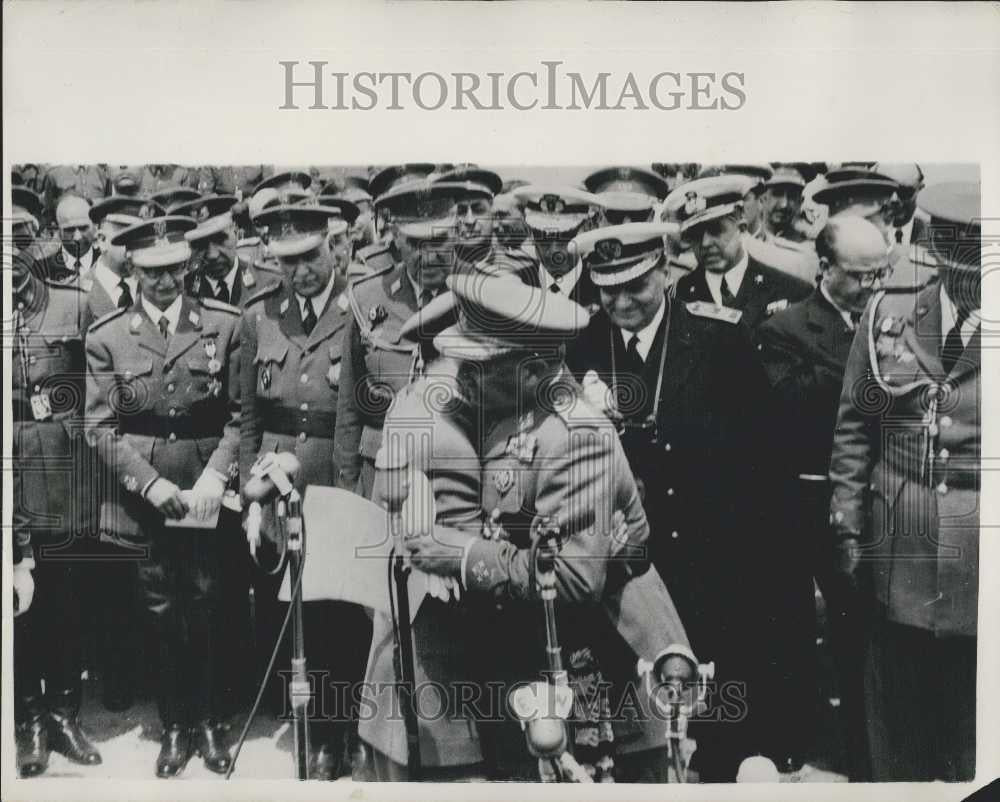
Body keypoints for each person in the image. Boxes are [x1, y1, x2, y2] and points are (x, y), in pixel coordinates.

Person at [361, 268, 693, 781]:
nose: (462, 380)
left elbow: (576, 579)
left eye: (478, 369)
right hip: (531, 646)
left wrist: (462, 555)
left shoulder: (574, 437)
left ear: (534, 369)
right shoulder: (507, 410)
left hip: (600, 662)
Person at [565, 222, 776, 780]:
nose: (621, 302)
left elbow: (763, 461)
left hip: (711, 564)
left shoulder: (719, 339)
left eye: (635, 285)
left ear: (664, 269)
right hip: (627, 573)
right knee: (640, 729)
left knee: (715, 722)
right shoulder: (582, 346)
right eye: (607, 289)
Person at [829, 181, 980, 781]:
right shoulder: (891, 308)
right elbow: (855, 423)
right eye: (958, 268)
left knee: (971, 726)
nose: (970, 284)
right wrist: (847, 524)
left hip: (980, 554)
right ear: (936, 252)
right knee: (895, 722)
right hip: (897, 549)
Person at [84, 215, 241, 778]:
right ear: (133, 270)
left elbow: (239, 416)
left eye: (174, 268)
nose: (165, 280)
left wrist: (216, 477)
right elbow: (100, 428)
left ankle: (210, 721)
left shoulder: (223, 325)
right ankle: (175, 725)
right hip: (145, 500)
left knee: (207, 603)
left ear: (187, 266)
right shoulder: (106, 336)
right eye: (152, 272)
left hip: (204, 494)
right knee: (159, 611)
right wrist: (149, 483)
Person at [239, 203, 372, 780]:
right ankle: (317, 733)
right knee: (301, 612)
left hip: (332, 476)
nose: (301, 271)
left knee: (343, 610)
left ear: (333, 247)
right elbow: (248, 413)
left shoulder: (357, 309)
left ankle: (348, 730)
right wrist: (250, 493)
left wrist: (347, 489)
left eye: (311, 257)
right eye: (288, 262)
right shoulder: (260, 316)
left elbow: (353, 412)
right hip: (279, 482)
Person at [757, 216, 893, 779]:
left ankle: (867, 754)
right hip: (805, 504)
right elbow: (799, 407)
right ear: (824, 268)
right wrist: (867, 368)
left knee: (863, 633)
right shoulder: (785, 327)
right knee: (797, 629)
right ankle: (800, 744)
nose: (872, 286)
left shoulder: (894, 325)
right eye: (859, 275)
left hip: (870, 500)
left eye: (880, 274)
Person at [12, 256, 102, 778]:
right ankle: (30, 721)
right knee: (19, 608)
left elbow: (102, 385)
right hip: (12, 465)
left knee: (67, 599)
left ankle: (65, 716)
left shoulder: (74, 303)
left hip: (65, 472)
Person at [334, 179, 464, 498]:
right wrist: (348, 489)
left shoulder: (480, 297)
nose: (428, 256)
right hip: (381, 474)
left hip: (455, 476)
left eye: (439, 241)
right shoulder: (368, 297)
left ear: (458, 233)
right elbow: (349, 408)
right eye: (415, 243)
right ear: (395, 238)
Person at [668, 175, 812, 334]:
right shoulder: (681, 293)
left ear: (742, 227)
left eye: (716, 230)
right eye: (695, 234)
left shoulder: (789, 289)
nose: (706, 243)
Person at [814, 166, 937, 294]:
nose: (895, 199)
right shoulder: (814, 263)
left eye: (860, 224)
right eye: (839, 226)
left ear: (887, 217)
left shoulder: (919, 265)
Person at [178, 193, 283, 306]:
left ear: (236, 232)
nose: (212, 255)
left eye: (220, 239)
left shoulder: (270, 282)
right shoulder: (184, 290)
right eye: (200, 245)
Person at [511, 184, 603, 309]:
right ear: (530, 233)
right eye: (542, 236)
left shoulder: (603, 290)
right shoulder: (515, 286)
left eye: (566, 236)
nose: (554, 251)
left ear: (587, 228)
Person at [82, 195, 163, 323]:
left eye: (143, 239)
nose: (138, 247)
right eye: (129, 238)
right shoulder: (77, 296)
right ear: (101, 240)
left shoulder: (159, 290)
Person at [35, 195, 99, 284]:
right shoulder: (40, 270)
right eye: (69, 230)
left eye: (83, 228)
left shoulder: (107, 265)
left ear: (95, 227)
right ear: (57, 230)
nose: (77, 237)